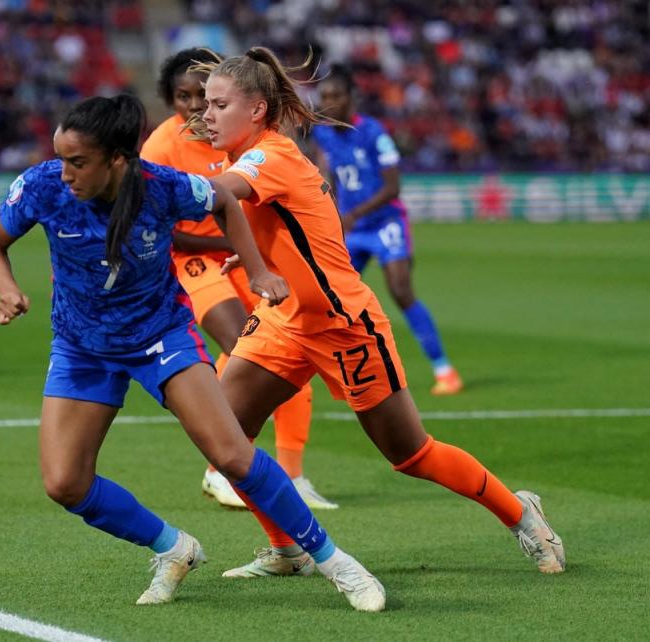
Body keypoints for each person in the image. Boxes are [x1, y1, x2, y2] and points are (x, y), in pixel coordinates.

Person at [0, 95, 386, 611]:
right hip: (82, 346)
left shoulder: (163, 186)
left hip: (161, 335)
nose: (64, 173)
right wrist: (5, 288)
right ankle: (174, 548)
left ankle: (334, 560)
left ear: (117, 160)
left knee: (232, 455)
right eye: (60, 158)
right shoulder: (41, 186)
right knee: (64, 483)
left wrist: (257, 270)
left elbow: (225, 202)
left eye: (77, 162)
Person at [188, 48, 565, 579]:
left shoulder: (268, 156)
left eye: (218, 104)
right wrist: (265, 255)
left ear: (256, 111)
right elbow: (286, 221)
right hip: (284, 319)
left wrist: (145, 189)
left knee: (410, 454)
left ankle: (522, 513)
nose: (206, 114)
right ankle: (288, 548)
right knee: (225, 440)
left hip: (344, 326)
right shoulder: (249, 154)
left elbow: (218, 194)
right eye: (205, 103)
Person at [140, 48, 337, 512]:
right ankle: (219, 467)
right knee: (244, 343)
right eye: (183, 96)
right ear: (171, 100)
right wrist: (228, 250)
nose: (194, 106)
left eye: (202, 96)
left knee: (291, 358)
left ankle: (292, 474)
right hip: (192, 260)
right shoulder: (162, 146)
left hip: (242, 258)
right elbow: (164, 224)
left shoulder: (239, 137)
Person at [310, 65, 463, 395]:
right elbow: (327, 175)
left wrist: (353, 214)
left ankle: (444, 370)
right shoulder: (323, 134)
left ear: (351, 97)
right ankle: (343, 369)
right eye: (324, 97)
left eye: (335, 95)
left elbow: (393, 187)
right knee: (330, 297)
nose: (329, 102)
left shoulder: (374, 133)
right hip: (352, 228)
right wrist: (331, 212)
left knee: (400, 290)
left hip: (385, 223)